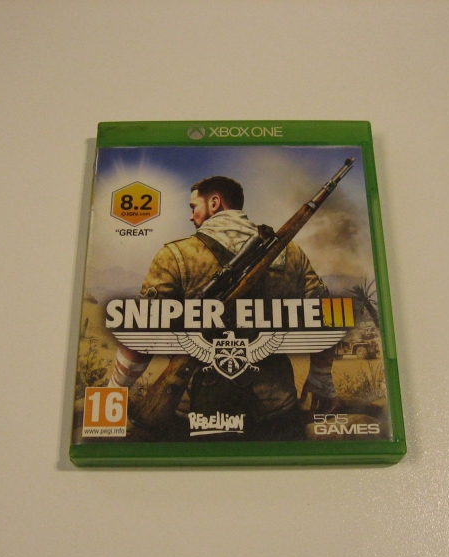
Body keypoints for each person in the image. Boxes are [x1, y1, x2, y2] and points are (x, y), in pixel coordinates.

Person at [110, 176, 336, 440]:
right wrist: (321, 379)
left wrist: (115, 389)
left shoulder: (175, 255)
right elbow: (327, 316)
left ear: (215, 203)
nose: (191, 215)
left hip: (192, 413)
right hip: (276, 408)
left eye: (194, 206)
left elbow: (141, 332)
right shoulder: (292, 252)